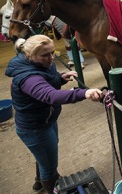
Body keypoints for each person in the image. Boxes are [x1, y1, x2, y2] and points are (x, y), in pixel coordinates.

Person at [4, 35, 104, 194]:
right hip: (35, 128)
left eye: (52, 52)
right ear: (29, 55)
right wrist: (83, 93)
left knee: (45, 157)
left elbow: (47, 79)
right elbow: (51, 95)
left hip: (46, 120)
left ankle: (39, 182)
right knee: (50, 167)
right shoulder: (27, 78)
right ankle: (51, 187)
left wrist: (60, 78)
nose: (51, 57)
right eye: (45, 55)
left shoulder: (41, 63)